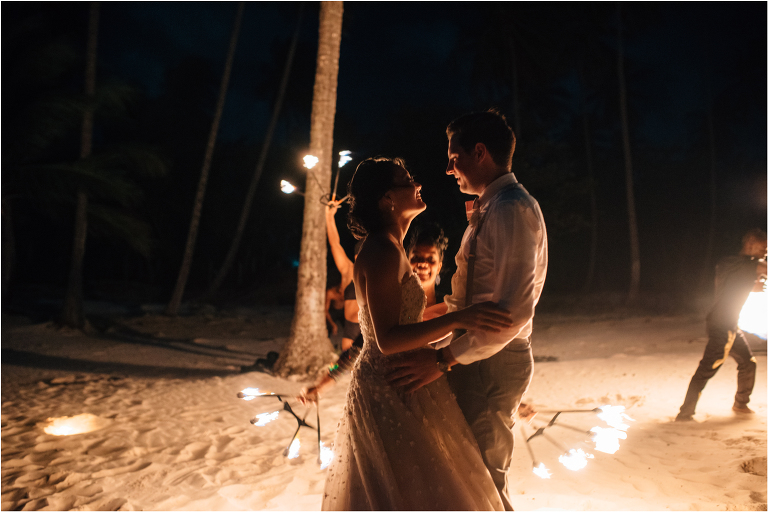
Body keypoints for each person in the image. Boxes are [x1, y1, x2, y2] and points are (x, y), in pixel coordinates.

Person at [322, 157, 513, 510]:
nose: (418, 183)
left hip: (406, 378)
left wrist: (452, 310)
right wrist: (462, 319)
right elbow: (388, 339)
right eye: (406, 179)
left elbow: (406, 318)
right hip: (390, 383)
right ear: (387, 199)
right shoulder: (380, 250)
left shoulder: (391, 246)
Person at [387, 110, 548, 510]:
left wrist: (442, 360)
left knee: (485, 478)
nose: (447, 169)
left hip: (492, 362)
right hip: (473, 357)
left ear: (479, 153)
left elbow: (510, 314)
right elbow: (467, 303)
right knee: (466, 474)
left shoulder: (511, 209)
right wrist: (433, 342)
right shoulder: (488, 209)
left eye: (453, 158)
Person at [299, 225, 450, 404]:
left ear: (439, 266)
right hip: (391, 399)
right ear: (407, 262)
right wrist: (321, 386)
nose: (422, 263)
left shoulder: (449, 307)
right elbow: (356, 350)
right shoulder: (392, 306)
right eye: (415, 257)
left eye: (430, 259)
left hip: (436, 398)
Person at [675, 228, 767, 422]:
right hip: (723, 325)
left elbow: (733, 284)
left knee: (748, 363)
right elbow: (761, 269)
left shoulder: (731, 264)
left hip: (725, 323)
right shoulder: (744, 264)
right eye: (762, 248)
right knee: (707, 368)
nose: (765, 252)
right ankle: (685, 413)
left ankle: (741, 404)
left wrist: (752, 286)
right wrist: (757, 275)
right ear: (750, 243)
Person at [326, 199, 362, 351]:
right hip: (350, 333)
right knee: (345, 363)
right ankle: (331, 372)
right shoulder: (349, 270)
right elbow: (335, 243)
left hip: (369, 332)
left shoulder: (377, 274)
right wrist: (329, 216)